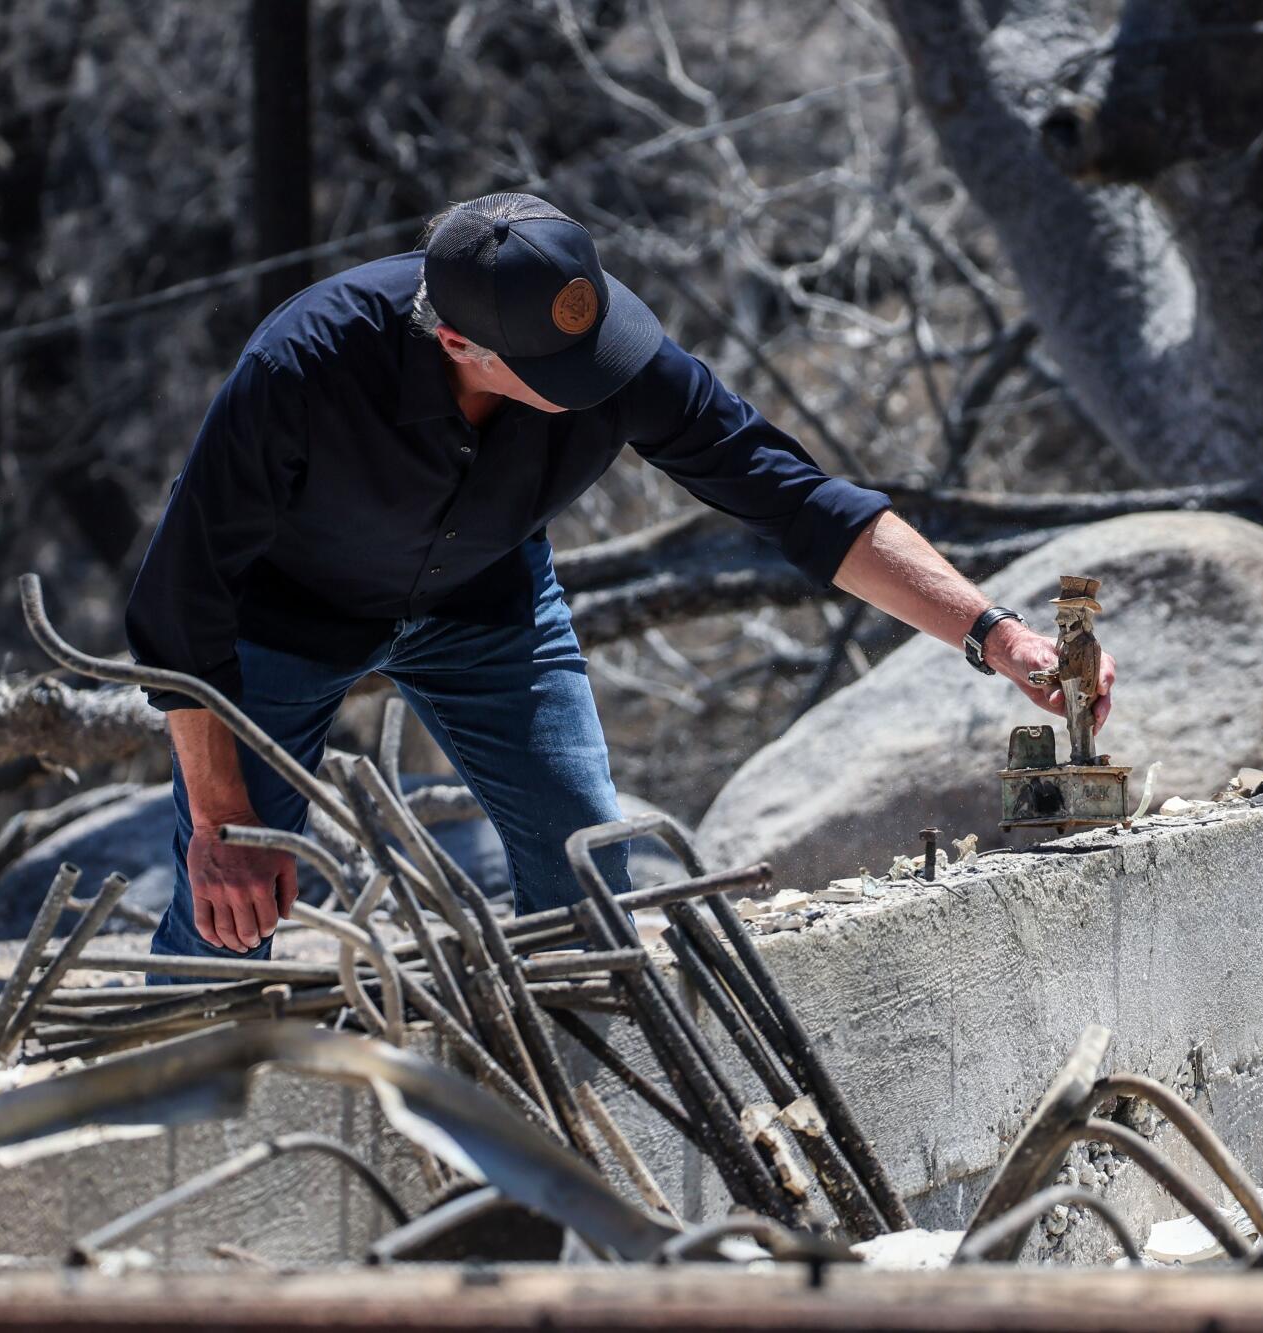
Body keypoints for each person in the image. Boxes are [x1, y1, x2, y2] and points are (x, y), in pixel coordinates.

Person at [126, 193, 1117, 965]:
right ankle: (169, 1106)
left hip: (483, 603)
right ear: (458, 343)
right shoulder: (304, 365)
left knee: (586, 864)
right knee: (235, 904)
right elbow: (181, 598)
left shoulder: (613, 357)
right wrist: (218, 819)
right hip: (283, 627)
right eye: (561, 374)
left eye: (596, 352)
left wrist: (994, 632)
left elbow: (797, 499)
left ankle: (574, 1116)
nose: (598, 385)